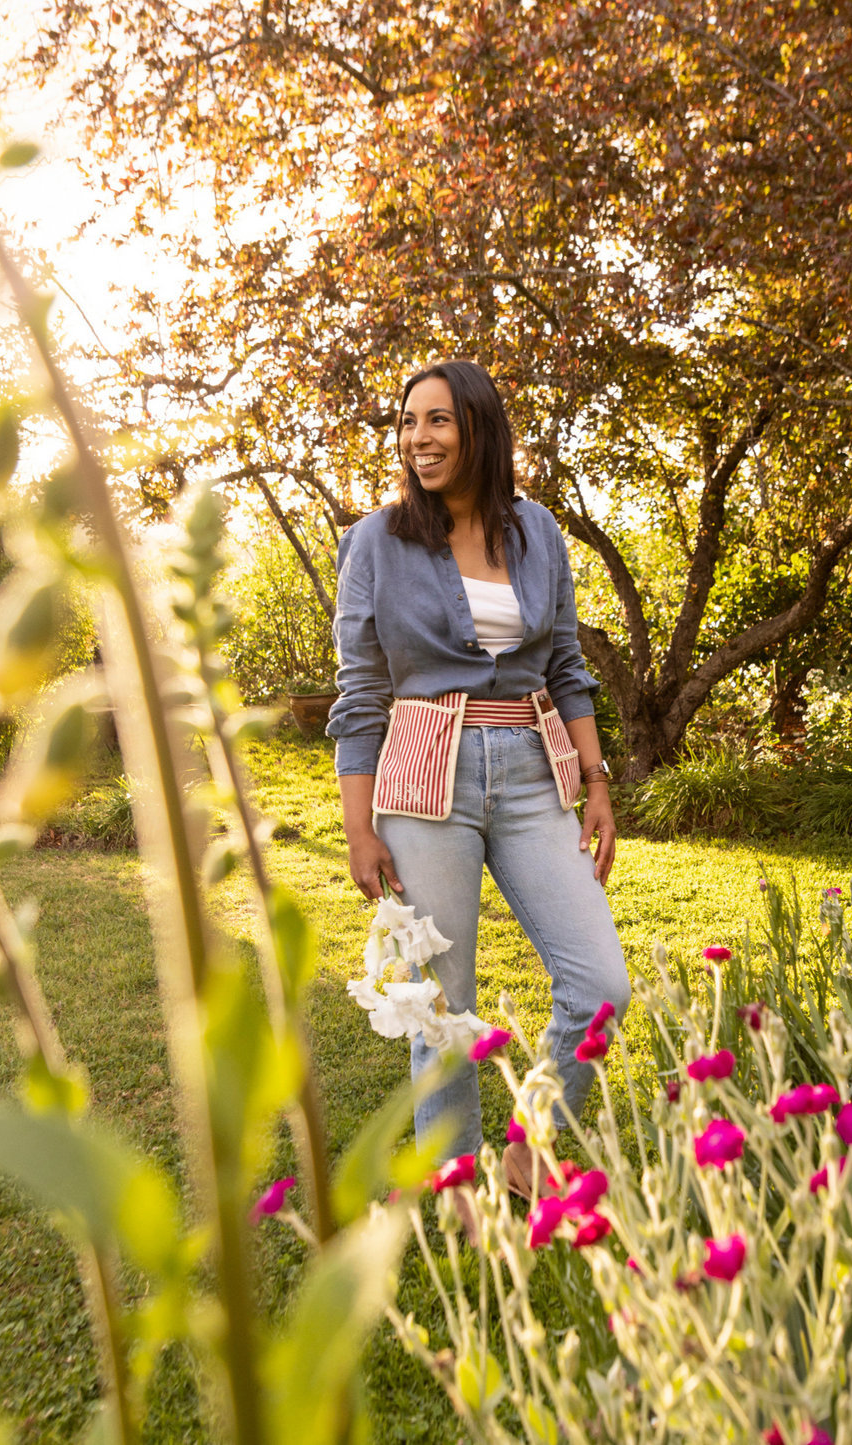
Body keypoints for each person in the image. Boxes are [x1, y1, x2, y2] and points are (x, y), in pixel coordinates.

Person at [327, 358, 630, 1201]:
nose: (416, 439)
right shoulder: (376, 542)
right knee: (443, 1005)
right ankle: (454, 1183)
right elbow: (360, 697)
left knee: (600, 984)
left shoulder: (536, 533)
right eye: (407, 422)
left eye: (437, 422)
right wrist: (359, 827)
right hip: (424, 779)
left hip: (534, 774)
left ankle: (533, 1147)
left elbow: (567, 666)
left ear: (478, 429)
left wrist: (596, 781)